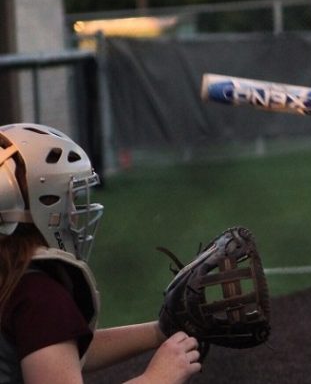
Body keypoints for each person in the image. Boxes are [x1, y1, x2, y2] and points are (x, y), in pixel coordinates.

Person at [0, 123, 201, 383]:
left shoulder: (11, 280)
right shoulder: (37, 296)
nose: (73, 212)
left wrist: (159, 331)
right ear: (39, 205)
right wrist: (157, 377)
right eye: (66, 198)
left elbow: (53, 348)